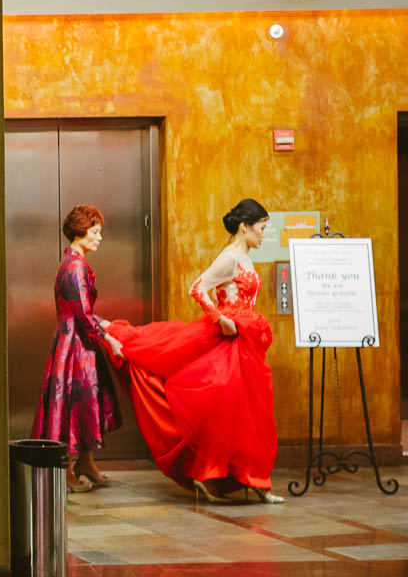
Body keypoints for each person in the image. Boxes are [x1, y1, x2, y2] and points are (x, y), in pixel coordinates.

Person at [110, 198, 283, 503]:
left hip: (245, 343)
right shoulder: (229, 257)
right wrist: (221, 318)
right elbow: (197, 287)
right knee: (222, 407)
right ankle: (213, 476)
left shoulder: (245, 257)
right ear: (245, 228)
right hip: (227, 339)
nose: (264, 234)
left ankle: (254, 480)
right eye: (261, 228)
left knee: (247, 414)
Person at [32, 204, 126, 492]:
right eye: (95, 232)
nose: (99, 238)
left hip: (77, 341)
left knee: (85, 404)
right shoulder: (74, 266)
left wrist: (102, 324)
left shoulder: (74, 262)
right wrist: (109, 338)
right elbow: (83, 314)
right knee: (73, 406)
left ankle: (86, 462)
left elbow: (81, 312)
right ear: (80, 232)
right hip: (75, 345)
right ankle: (68, 471)